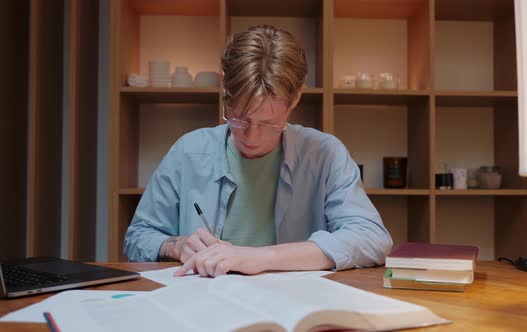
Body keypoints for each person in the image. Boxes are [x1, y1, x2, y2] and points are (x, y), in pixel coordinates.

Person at [123, 25, 393, 278]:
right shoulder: (188, 151)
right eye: (239, 119)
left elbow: (371, 238)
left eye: (269, 124)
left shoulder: (325, 154)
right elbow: (137, 238)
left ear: (296, 97)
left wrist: (260, 258)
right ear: (224, 86)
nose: (252, 138)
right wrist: (175, 245)